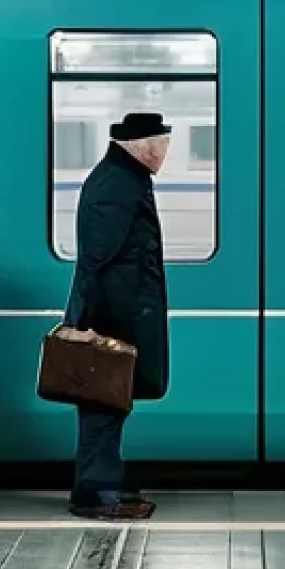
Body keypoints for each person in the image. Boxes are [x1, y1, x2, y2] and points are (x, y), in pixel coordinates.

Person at [62, 112, 171, 520]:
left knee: (112, 405)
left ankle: (106, 482)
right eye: (159, 144)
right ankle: (95, 493)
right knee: (103, 407)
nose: (163, 153)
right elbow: (96, 260)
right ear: (137, 145)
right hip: (111, 318)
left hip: (121, 314)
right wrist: (86, 325)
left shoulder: (125, 180)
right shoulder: (115, 185)